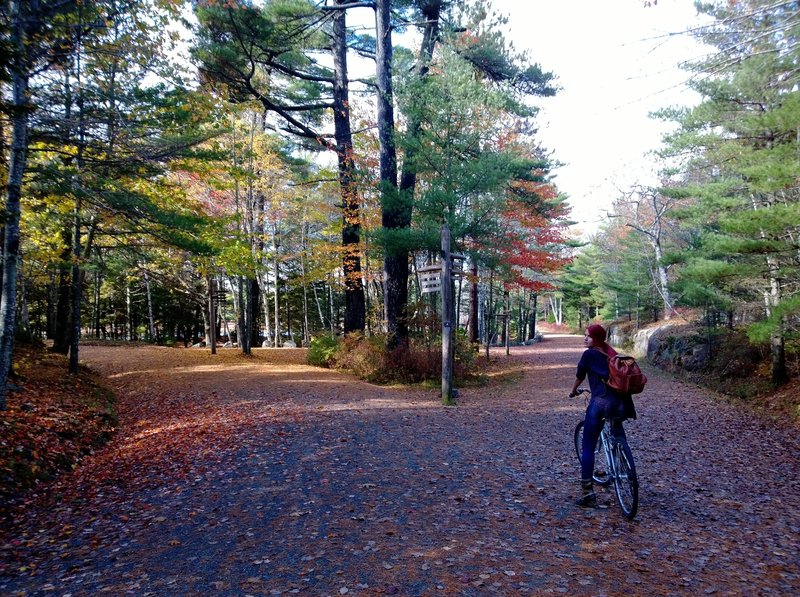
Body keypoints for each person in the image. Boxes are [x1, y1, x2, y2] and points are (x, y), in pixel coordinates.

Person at [568, 323, 636, 507]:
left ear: (596, 339)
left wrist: (573, 391)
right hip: (621, 403)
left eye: (588, 336)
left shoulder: (589, 354)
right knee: (619, 436)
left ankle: (587, 493)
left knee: (588, 446)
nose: (584, 338)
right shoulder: (612, 353)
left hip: (601, 403)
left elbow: (580, 374)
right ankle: (626, 468)